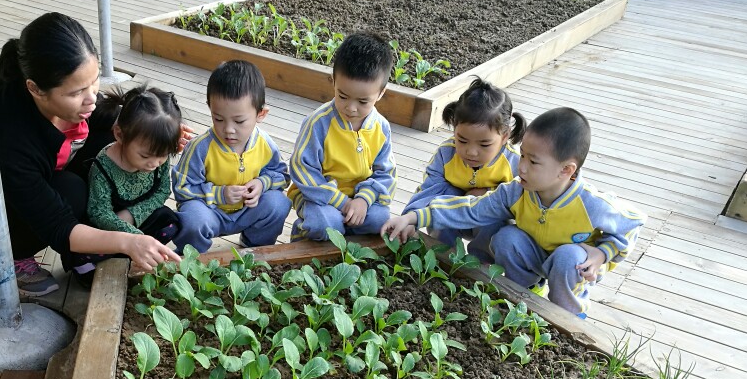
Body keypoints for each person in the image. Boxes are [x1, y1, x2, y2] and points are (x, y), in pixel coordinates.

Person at [0, 12, 179, 298]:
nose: (91, 97)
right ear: (35, 89)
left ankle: (98, 230)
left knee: (120, 141)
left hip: (42, 164)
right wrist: (127, 242)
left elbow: (105, 115)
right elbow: (57, 225)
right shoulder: (9, 137)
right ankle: (16, 255)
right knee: (72, 194)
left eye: (94, 81)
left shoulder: (54, 83)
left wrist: (153, 133)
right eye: (77, 92)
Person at [381, 108, 645, 319]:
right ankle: (524, 297)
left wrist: (603, 253)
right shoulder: (517, 190)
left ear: (566, 170)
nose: (523, 167)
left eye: (533, 161)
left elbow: (633, 224)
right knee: (507, 237)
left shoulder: (592, 204)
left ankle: (569, 316)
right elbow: (471, 208)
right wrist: (415, 217)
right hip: (533, 253)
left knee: (568, 257)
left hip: (571, 265)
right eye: (523, 156)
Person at [172, 60, 290, 254]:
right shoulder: (200, 148)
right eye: (218, 119)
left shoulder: (264, 144)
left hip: (248, 212)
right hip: (210, 213)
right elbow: (182, 188)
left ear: (261, 114)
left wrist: (262, 184)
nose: (228, 129)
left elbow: (281, 175)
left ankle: (255, 248)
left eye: (239, 121)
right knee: (191, 219)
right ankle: (191, 256)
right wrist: (220, 194)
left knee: (278, 203)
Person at [288, 32, 397, 241]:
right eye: (343, 96)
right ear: (334, 81)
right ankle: (302, 236)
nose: (351, 108)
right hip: (317, 196)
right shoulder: (318, 123)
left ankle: (345, 240)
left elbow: (386, 173)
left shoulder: (381, 127)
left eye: (363, 101)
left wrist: (364, 199)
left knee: (379, 218)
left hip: (358, 198)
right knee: (325, 223)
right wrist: (342, 202)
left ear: (381, 92)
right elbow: (302, 169)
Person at [405, 77, 525, 262]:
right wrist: (410, 218)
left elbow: (520, 203)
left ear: (504, 137)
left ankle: (480, 266)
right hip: (449, 218)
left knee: (495, 215)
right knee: (441, 197)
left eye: (484, 144)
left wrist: (487, 194)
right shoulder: (446, 153)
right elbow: (429, 189)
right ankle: (442, 256)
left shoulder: (514, 162)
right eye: (462, 140)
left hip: (486, 224)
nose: (471, 151)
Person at [76, 85, 182, 283]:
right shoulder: (104, 166)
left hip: (137, 221)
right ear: (120, 135)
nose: (154, 163)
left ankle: (133, 258)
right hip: (108, 229)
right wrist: (134, 237)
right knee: (84, 264)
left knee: (170, 221)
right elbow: (98, 213)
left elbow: (162, 191)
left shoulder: (158, 153)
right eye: (145, 156)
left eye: (163, 156)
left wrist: (132, 215)